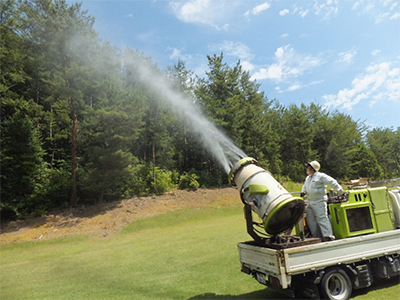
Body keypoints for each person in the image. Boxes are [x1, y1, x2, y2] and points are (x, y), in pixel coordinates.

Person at [301, 160, 344, 242]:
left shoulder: (321, 176)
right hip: (310, 201)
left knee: (322, 218)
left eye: (308, 167)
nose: (307, 169)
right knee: (310, 220)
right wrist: (303, 192)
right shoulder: (308, 178)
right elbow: (304, 187)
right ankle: (315, 237)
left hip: (319, 201)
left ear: (312, 168)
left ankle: (328, 236)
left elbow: (332, 182)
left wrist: (340, 191)